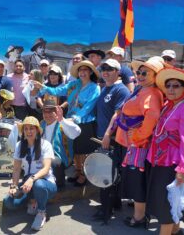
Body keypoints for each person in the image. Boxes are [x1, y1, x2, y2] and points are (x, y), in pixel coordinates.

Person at [146, 67, 184, 234]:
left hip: (175, 164)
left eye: (176, 86)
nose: (171, 89)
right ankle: (175, 231)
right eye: (168, 85)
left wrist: (182, 169)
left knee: (166, 205)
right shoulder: (169, 105)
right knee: (171, 202)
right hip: (161, 160)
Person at [115, 56, 164, 228]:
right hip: (135, 143)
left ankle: (139, 217)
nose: (140, 75)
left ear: (156, 76)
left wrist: (138, 135)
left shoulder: (151, 92)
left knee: (138, 179)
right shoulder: (143, 89)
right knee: (137, 178)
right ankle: (141, 214)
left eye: (145, 73)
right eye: (139, 72)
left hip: (139, 145)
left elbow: (152, 116)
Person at [35, 60, 100, 186]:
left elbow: (88, 107)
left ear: (91, 72)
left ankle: (84, 175)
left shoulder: (95, 87)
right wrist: (42, 87)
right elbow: (58, 91)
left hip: (84, 122)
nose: (82, 72)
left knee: (83, 150)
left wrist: (75, 118)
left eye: (85, 70)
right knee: (74, 148)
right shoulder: (74, 84)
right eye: (80, 70)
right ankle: (77, 171)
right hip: (70, 120)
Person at [3, 116, 57, 231]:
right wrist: (14, 186)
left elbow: (46, 169)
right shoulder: (19, 145)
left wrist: (32, 179)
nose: (28, 131)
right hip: (28, 183)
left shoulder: (45, 145)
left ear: (37, 130)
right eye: (26, 129)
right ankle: (32, 200)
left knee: (39, 185)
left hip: (46, 184)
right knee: (8, 202)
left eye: (31, 128)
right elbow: (16, 169)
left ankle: (41, 212)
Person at [94, 59, 130, 223]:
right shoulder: (106, 88)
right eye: (103, 68)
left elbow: (118, 115)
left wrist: (108, 134)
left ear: (118, 71)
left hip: (113, 138)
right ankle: (114, 205)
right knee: (111, 173)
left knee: (105, 174)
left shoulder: (121, 90)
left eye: (110, 68)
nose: (105, 71)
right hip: (104, 136)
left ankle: (105, 212)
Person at [40, 100, 81, 188]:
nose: (47, 114)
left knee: (54, 161)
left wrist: (62, 120)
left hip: (60, 158)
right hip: (43, 155)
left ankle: (59, 183)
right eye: (45, 111)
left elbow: (77, 132)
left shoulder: (63, 123)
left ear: (56, 112)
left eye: (51, 111)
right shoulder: (41, 124)